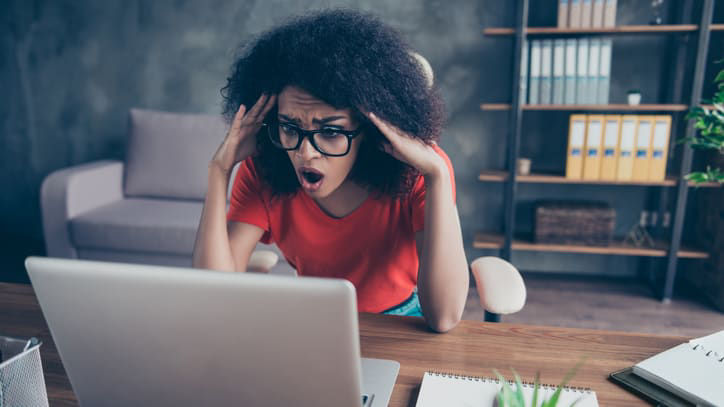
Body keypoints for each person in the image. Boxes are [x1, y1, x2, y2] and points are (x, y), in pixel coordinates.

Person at [192, 9, 468, 332]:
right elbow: (213, 296)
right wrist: (218, 170)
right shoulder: (263, 171)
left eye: (331, 132)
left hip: (399, 327)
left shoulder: (417, 173)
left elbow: (445, 316)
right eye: (289, 127)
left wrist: (436, 175)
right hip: (317, 324)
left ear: (368, 130)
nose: (305, 152)